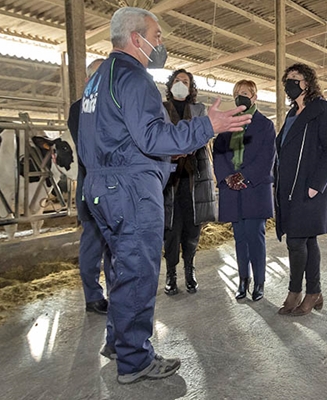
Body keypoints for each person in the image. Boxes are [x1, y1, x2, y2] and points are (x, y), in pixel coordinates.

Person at [78, 7, 251, 384]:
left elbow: (116, 138)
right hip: (130, 191)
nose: (161, 45)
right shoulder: (134, 77)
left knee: (120, 269)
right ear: (136, 38)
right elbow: (152, 137)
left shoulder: (98, 78)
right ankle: (135, 361)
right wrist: (208, 125)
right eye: (156, 37)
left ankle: (117, 341)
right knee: (138, 273)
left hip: (101, 187)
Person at [274, 63, 327, 316]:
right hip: (289, 188)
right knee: (307, 239)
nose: (290, 82)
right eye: (287, 78)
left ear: (307, 83)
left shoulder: (321, 109)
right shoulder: (292, 115)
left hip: (309, 188)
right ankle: (315, 291)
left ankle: (297, 291)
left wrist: (316, 185)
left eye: (295, 78)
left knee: (296, 240)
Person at [213, 80, 275, 302]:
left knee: (255, 236)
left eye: (246, 93)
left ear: (255, 97)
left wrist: (244, 176)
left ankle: (259, 282)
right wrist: (228, 177)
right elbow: (218, 153)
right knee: (239, 238)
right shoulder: (227, 125)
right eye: (237, 93)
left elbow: (267, 157)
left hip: (254, 188)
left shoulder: (265, 125)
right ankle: (243, 280)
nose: (241, 96)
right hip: (233, 190)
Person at [162, 69, 216, 295]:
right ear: (170, 84)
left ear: (191, 87)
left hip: (193, 176)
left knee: (192, 227)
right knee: (171, 229)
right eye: (177, 81)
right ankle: (171, 273)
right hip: (169, 178)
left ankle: (189, 270)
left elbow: (205, 135)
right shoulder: (161, 109)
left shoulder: (199, 109)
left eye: (185, 81)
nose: (181, 84)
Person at [68, 58, 112, 315]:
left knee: (112, 247)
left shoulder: (109, 106)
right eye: (97, 76)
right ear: (87, 80)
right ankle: (93, 296)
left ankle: (114, 293)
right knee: (93, 242)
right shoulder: (78, 109)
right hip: (92, 188)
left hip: (111, 189)